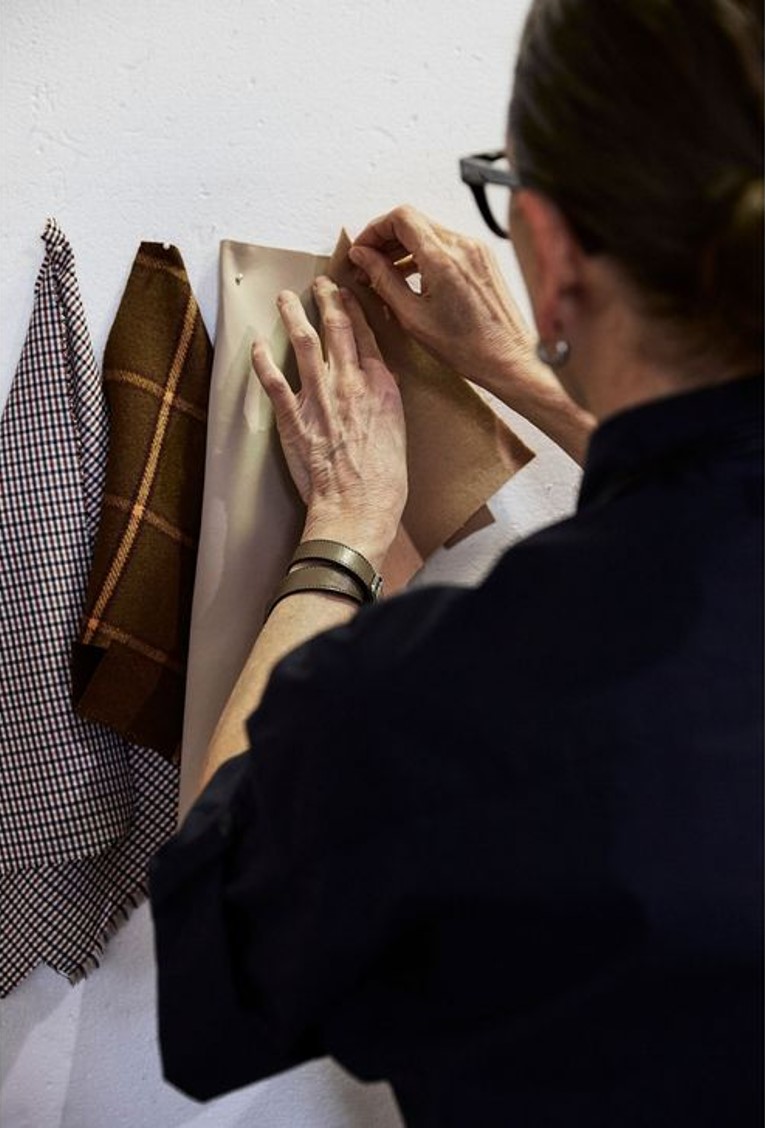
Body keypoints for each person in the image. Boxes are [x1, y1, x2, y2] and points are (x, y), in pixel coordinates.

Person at [150, 1, 763, 1124]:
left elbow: (211, 956)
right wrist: (533, 375)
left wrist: (344, 534)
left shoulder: (440, 705)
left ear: (550, 251)